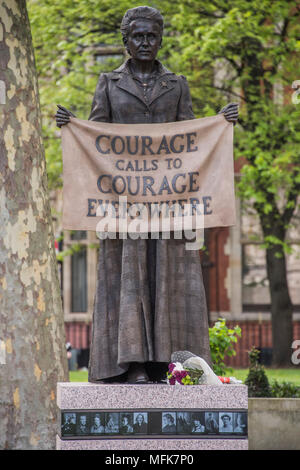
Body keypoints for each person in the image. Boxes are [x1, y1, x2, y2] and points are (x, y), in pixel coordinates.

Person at [56, 6, 238, 384]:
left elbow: (191, 140)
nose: (144, 42)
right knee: (130, 279)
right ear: (126, 41)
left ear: (160, 39)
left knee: (172, 279)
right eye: (137, 36)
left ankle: (167, 364)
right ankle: (132, 363)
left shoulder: (178, 84)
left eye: (151, 36)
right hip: (123, 207)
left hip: (170, 205)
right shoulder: (108, 83)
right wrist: (73, 126)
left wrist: (220, 123)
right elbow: (97, 140)